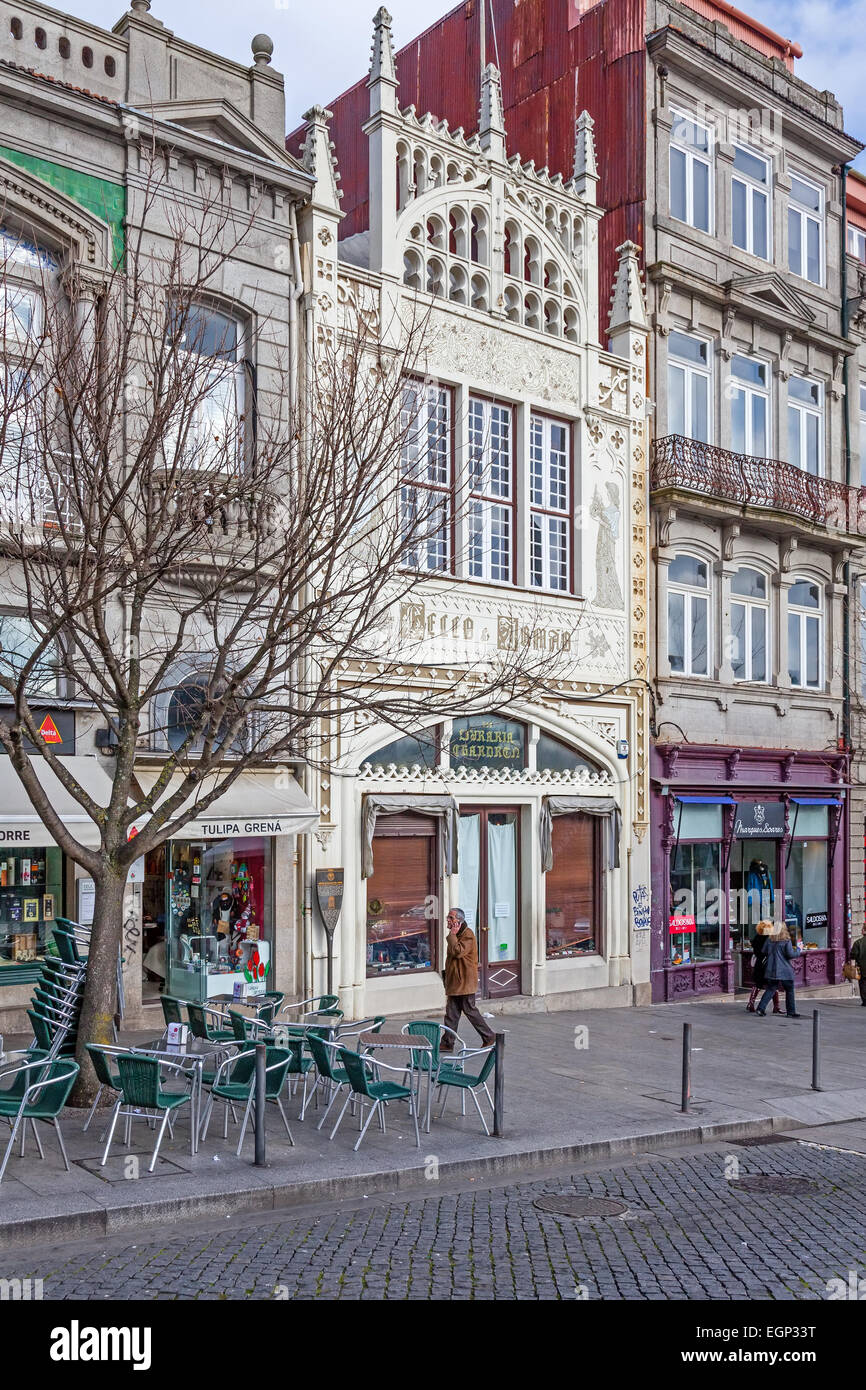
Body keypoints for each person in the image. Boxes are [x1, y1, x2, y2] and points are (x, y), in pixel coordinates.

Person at [441, 907, 496, 1052]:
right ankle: (447, 1043)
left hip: (464, 982)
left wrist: (452, 935)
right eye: (448, 917)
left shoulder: (468, 935)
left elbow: (458, 952)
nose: (448, 920)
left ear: (459, 921)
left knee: (470, 1010)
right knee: (451, 1014)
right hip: (455, 982)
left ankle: (489, 1036)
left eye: (451, 918)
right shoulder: (457, 934)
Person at [755, 923, 802, 1018]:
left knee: (771, 989)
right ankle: (791, 1012)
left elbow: (764, 951)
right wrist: (798, 949)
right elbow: (791, 955)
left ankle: (760, 1008)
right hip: (784, 970)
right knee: (789, 990)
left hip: (771, 969)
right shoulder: (786, 941)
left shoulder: (769, 940)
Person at [746, 919, 781, 1014]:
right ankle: (776, 1006)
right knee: (774, 984)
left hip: (759, 963)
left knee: (758, 984)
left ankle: (751, 1004)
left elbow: (757, 951)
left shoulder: (757, 938)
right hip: (769, 964)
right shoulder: (770, 939)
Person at [849, 924, 866, 1007]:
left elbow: (853, 955)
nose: (861, 930)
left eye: (862, 929)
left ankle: (865, 1001)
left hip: (862, 968)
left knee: (863, 984)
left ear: (864, 931)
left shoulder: (858, 942)